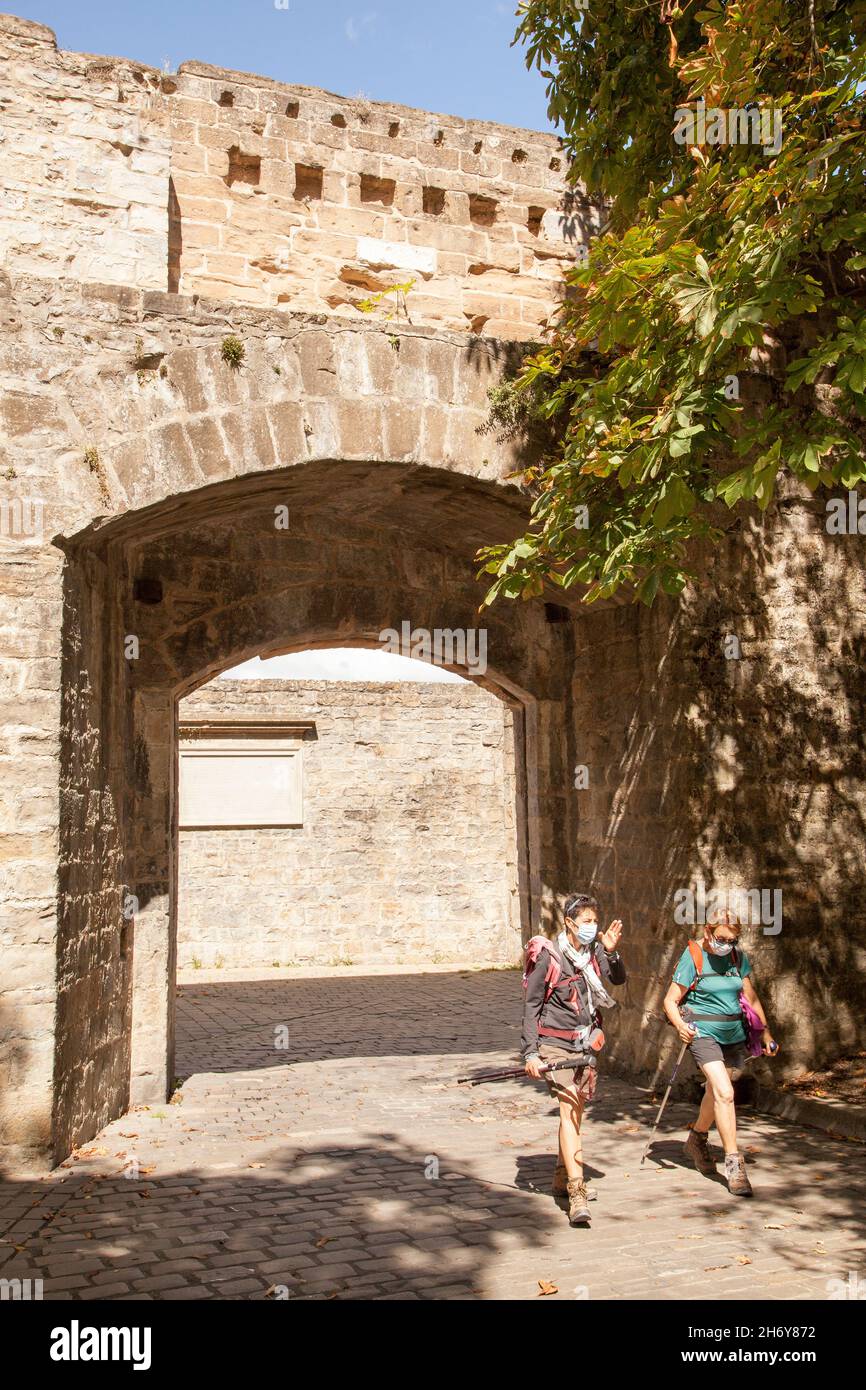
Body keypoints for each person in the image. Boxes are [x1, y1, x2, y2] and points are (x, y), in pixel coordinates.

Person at [522, 893, 626, 1226]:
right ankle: (576, 1190)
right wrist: (530, 1052)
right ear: (569, 923)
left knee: (575, 1113)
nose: (592, 928)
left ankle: (559, 1173)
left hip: (585, 1044)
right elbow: (531, 1005)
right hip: (555, 1043)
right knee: (569, 1108)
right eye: (586, 923)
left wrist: (610, 950)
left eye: (594, 922)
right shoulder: (550, 958)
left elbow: (618, 979)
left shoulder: (594, 952)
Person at [663, 909, 778, 1196]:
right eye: (721, 938)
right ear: (707, 932)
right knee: (726, 1093)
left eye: (732, 940)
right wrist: (679, 1025)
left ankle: (697, 1138)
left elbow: (750, 996)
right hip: (703, 1033)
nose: (726, 945)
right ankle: (734, 1165)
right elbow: (670, 1000)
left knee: (715, 1094)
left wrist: (764, 1031)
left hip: (733, 1034)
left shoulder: (738, 958)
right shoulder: (694, 956)